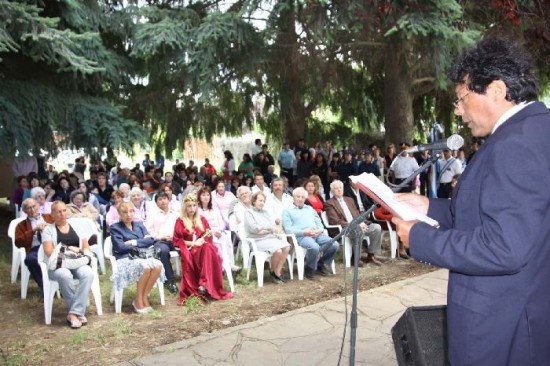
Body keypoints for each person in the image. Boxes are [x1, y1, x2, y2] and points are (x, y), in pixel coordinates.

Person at [392, 38, 550, 365]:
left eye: (462, 98)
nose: (458, 110)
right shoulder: (531, 131)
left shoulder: (516, 144)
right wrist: (427, 208)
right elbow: (493, 214)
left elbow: (504, 247)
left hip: (501, 326)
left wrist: (420, 238)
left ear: (495, 90)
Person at [41, 201, 94, 328]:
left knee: (88, 273)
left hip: (77, 261)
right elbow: (49, 252)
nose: (62, 214)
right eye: (58, 212)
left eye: (64, 210)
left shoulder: (77, 227)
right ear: (52, 214)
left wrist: (76, 251)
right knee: (64, 275)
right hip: (58, 265)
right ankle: (77, 312)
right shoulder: (48, 230)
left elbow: (86, 248)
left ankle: (74, 313)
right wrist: (70, 251)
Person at [173, 194, 234, 304]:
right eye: (189, 206)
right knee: (209, 251)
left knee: (207, 248)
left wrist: (206, 237)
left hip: (203, 249)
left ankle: (204, 283)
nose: (192, 209)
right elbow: (177, 241)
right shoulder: (180, 221)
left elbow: (208, 237)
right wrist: (194, 243)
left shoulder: (202, 219)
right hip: (190, 249)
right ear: (185, 207)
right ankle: (204, 283)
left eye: (194, 206)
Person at [109, 202, 164, 313]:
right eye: (125, 212)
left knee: (158, 265)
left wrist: (133, 242)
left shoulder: (139, 224)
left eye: (131, 211)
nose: (128, 214)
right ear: (119, 214)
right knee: (145, 267)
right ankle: (138, 300)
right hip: (125, 258)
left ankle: (143, 297)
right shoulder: (115, 228)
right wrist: (141, 242)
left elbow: (150, 240)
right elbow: (120, 247)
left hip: (143, 255)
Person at [282, 187, 338, 280]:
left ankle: (320, 263)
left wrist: (318, 230)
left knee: (334, 244)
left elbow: (320, 224)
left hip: (316, 234)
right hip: (301, 236)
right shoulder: (287, 210)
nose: (300, 199)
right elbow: (288, 230)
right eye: (298, 196)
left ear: (305, 198)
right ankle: (310, 267)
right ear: (293, 197)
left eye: (302, 197)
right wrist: (304, 232)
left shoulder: (310, 209)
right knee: (314, 247)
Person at [324, 180, 382, 266]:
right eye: (336, 188)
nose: (339, 190)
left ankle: (371, 255)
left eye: (340, 188)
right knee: (358, 230)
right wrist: (356, 225)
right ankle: (356, 258)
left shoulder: (349, 200)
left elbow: (357, 214)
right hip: (344, 228)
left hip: (357, 225)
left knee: (376, 228)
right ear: (332, 191)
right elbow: (335, 221)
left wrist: (362, 222)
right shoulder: (329, 203)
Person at [244, 192, 291, 283]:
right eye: (260, 200)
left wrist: (265, 229)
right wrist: (267, 228)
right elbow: (254, 228)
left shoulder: (265, 212)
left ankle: (277, 271)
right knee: (278, 250)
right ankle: (272, 272)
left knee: (287, 247)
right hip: (257, 240)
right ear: (254, 201)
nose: (262, 203)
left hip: (269, 237)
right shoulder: (248, 212)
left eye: (263, 201)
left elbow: (272, 225)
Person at [197, 187, 241, 273]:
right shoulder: (198, 211)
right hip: (206, 234)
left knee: (226, 239)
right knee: (217, 242)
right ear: (199, 197)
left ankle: (230, 264)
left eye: (207, 195)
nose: (206, 197)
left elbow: (222, 222)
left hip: (218, 232)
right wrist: (213, 232)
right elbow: (200, 226)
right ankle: (222, 266)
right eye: (203, 195)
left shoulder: (214, 209)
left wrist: (219, 230)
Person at [15, 198, 54, 291]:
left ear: (38, 206)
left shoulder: (49, 217)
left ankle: (60, 284)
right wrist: (33, 230)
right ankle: (44, 287)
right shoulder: (21, 225)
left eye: (34, 206)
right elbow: (18, 242)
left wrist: (49, 227)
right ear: (24, 211)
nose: (32, 210)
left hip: (52, 246)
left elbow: (60, 228)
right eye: (28, 208)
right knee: (30, 259)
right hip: (35, 248)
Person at [144, 192, 180, 294]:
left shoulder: (175, 213)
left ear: (168, 200)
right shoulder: (152, 214)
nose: (163, 201)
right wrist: (161, 237)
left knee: (186, 249)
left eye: (165, 198)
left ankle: (191, 277)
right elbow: (149, 230)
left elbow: (180, 227)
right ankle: (171, 281)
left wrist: (174, 236)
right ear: (156, 202)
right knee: (163, 251)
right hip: (160, 240)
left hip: (175, 239)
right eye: (160, 199)